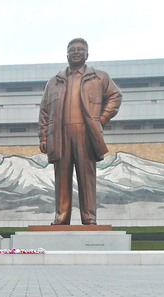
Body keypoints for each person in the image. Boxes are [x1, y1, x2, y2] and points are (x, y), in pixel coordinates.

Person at [38, 38, 122, 225]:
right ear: (66, 54)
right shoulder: (54, 82)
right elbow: (44, 111)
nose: (76, 52)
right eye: (72, 49)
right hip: (60, 135)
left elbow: (115, 96)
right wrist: (44, 136)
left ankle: (89, 216)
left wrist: (101, 120)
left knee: (87, 176)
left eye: (80, 49)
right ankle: (62, 216)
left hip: (86, 133)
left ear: (87, 54)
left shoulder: (99, 77)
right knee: (62, 177)